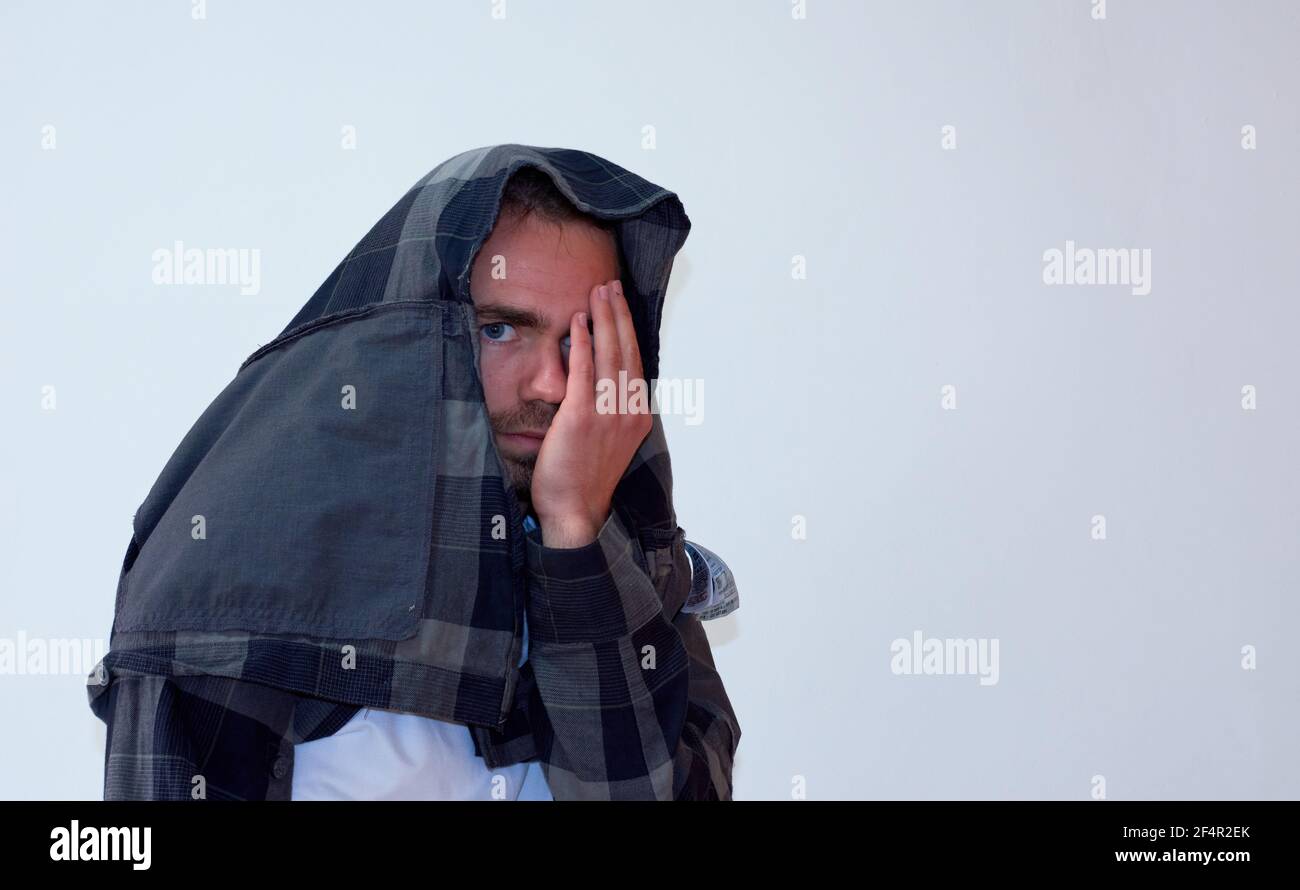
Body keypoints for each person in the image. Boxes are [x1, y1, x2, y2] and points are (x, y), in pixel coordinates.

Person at [89, 145, 741, 800]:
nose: (551, 383)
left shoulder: (634, 564)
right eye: (499, 330)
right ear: (405, 337)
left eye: (582, 341)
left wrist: (575, 533)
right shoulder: (242, 574)